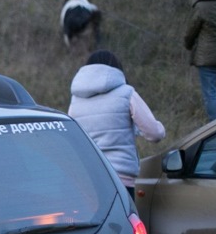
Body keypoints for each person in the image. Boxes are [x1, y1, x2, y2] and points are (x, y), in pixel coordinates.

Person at [68, 50, 166, 196]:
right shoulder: (126, 93)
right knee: (125, 219)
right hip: (121, 179)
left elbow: (74, 140)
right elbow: (154, 133)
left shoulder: (75, 100)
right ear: (116, 69)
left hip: (89, 179)